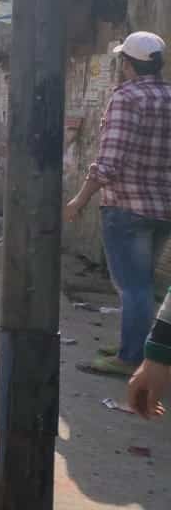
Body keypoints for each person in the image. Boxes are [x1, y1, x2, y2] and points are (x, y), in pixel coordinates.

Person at [65, 31, 171, 377]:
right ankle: (136, 346)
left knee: (132, 286)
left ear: (127, 64)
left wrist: (79, 199)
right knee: (143, 284)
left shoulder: (127, 98)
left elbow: (109, 163)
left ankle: (130, 358)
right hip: (163, 209)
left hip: (127, 208)